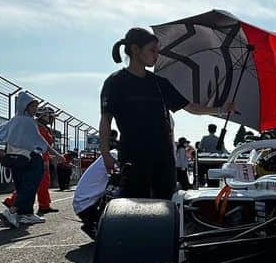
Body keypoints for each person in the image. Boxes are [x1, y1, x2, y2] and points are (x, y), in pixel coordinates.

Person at [100, 28, 234, 199]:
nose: (156, 55)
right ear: (135, 50)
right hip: (133, 157)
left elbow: (191, 107)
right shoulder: (115, 82)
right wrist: (105, 155)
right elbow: (106, 121)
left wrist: (221, 109)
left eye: (158, 51)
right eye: (152, 50)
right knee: (134, 206)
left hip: (163, 159)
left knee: (165, 205)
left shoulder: (160, 83)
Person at [0, 93, 66, 228]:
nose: (35, 109)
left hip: (14, 158)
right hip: (31, 158)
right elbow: (41, 143)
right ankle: (11, 211)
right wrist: (57, 155)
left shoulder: (15, 120)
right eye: (33, 106)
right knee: (30, 186)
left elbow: (0, 135)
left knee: (23, 186)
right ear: (25, 106)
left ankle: (26, 214)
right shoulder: (29, 122)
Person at [1, 106, 58, 216]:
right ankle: (15, 203)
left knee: (33, 183)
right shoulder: (39, 128)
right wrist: (45, 160)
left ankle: (42, 205)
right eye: (50, 116)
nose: (52, 119)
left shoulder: (40, 127)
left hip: (34, 157)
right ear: (44, 116)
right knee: (34, 183)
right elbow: (40, 145)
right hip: (35, 158)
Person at [72, 150, 119, 238]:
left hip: (83, 204)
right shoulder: (113, 156)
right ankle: (94, 225)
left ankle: (93, 224)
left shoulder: (108, 156)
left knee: (114, 190)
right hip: (86, 206)